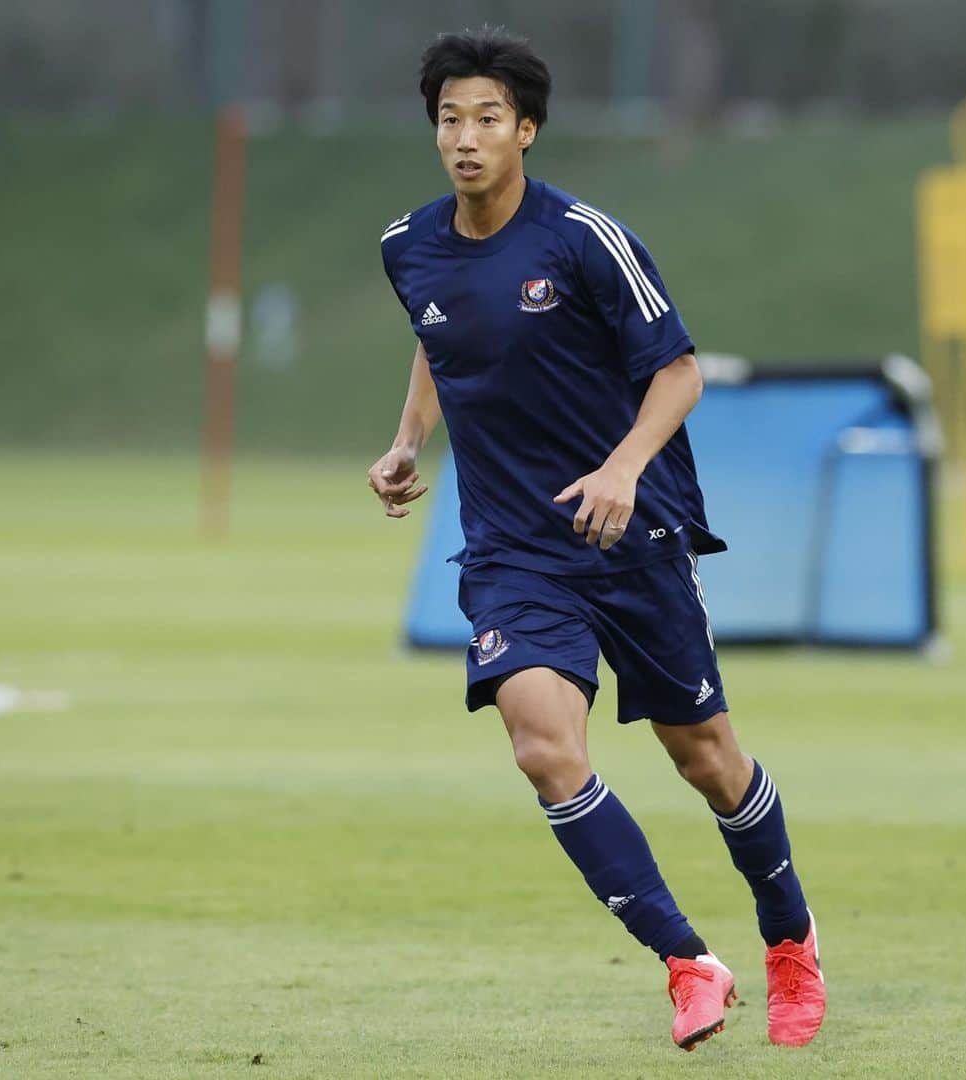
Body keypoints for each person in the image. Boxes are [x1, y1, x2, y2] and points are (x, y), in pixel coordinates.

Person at [367, 27, 825, 1052]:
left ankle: (790, 942)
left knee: (706, 759)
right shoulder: (407, 246)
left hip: (634, 530)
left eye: (488, 118)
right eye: (450, 119)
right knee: (542, 745)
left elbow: (679, 373)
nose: (467, 137)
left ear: (526, 128)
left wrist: (621, 468)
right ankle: (686, 961)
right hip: (514, 551)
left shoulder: (584, 239)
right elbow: (439, 338)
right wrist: (406, 443)